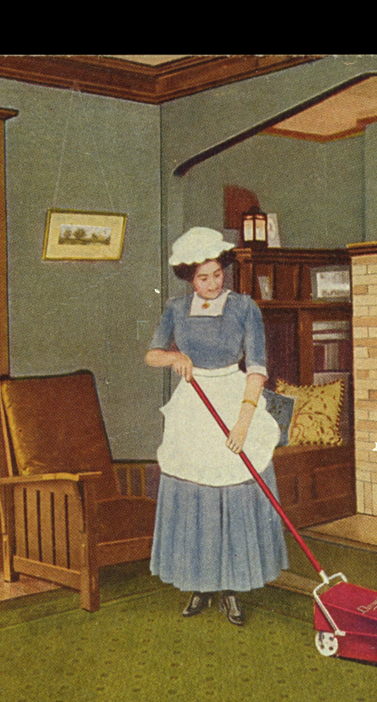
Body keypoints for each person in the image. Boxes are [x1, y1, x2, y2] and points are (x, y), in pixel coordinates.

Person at [145, 227, 289, 626]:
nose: (211, 284)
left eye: (217, 275)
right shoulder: (176, 308)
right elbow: (151, 354)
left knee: (232, 494)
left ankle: (231, 588)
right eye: (202, 278)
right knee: (195, 494)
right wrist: (174, 357)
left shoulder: (245, 308)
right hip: (193, 404)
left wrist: (243, 423)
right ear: (190, 278)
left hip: (233, 396)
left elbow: (257, 368)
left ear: (224, 270)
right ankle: (199, 583)